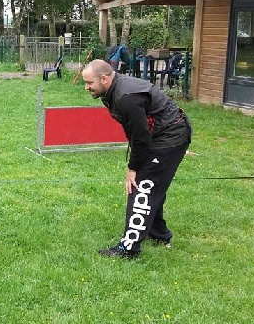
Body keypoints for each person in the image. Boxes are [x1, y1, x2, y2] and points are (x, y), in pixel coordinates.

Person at [82, 59, 191, 259]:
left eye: (89, 83)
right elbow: (134, 130)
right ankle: (159, 234)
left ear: (104, 79)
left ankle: (128, 248)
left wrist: (132, 169)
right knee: (152, 185)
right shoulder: (113, 90)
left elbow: (141, 138)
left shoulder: (126, 97)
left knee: (142, 187)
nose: (86, 87)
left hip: (169, 136)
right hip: (162, 134)